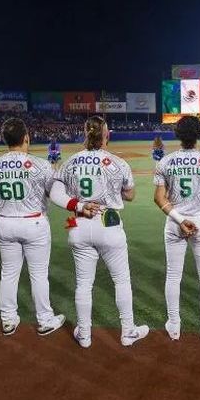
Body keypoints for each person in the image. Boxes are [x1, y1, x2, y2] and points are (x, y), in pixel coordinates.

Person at [50, 116, 149, 348]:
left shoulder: (71, 161)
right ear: (107, 135)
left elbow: (55, 194)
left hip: (79, 223)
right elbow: (131, 195)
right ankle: (128, 332)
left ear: (85, 133)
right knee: (121, 280)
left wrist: (80, 205)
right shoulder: (118, 162)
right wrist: (114, 193)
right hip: (109, 223)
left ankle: (84, 335)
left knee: (83, 283)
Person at [0, 118, 66, 336]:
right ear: (26, 138)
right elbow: (53, 193)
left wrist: (0, 219)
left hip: (5, 222)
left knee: (8, 273)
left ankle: (8, 319)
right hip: (34, 222)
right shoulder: (41, 165)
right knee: (38, 274)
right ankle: (45, 319)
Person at [153, 115, 200, 342]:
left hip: (175, 221)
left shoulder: (165, 161)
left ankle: (174, 326)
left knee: (173, 276)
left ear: (177, 134)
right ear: (199, 134)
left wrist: (178, 217)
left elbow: (158, 197)